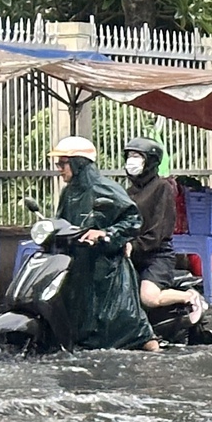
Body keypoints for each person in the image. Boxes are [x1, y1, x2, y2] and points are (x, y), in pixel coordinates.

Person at [47, 136, 157, 351]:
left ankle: (156, 353)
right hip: (79, 264)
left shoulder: (104, 188)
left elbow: (133, 219)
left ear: (79, 163)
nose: (59, 169)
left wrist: (106, 233)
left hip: (107, 267)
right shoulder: (69, 192)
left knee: (128, 321)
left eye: (63, 163)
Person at [122, 137, 205, 325]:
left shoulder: (162, 188)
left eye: (137, 156)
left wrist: (133, 245)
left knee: (148, 298)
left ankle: (189, 297)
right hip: (130, 254)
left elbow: (157, 232)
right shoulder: (129, 192)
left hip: (156, 255)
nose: (132, 161)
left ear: (150, 161)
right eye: (129, 156)